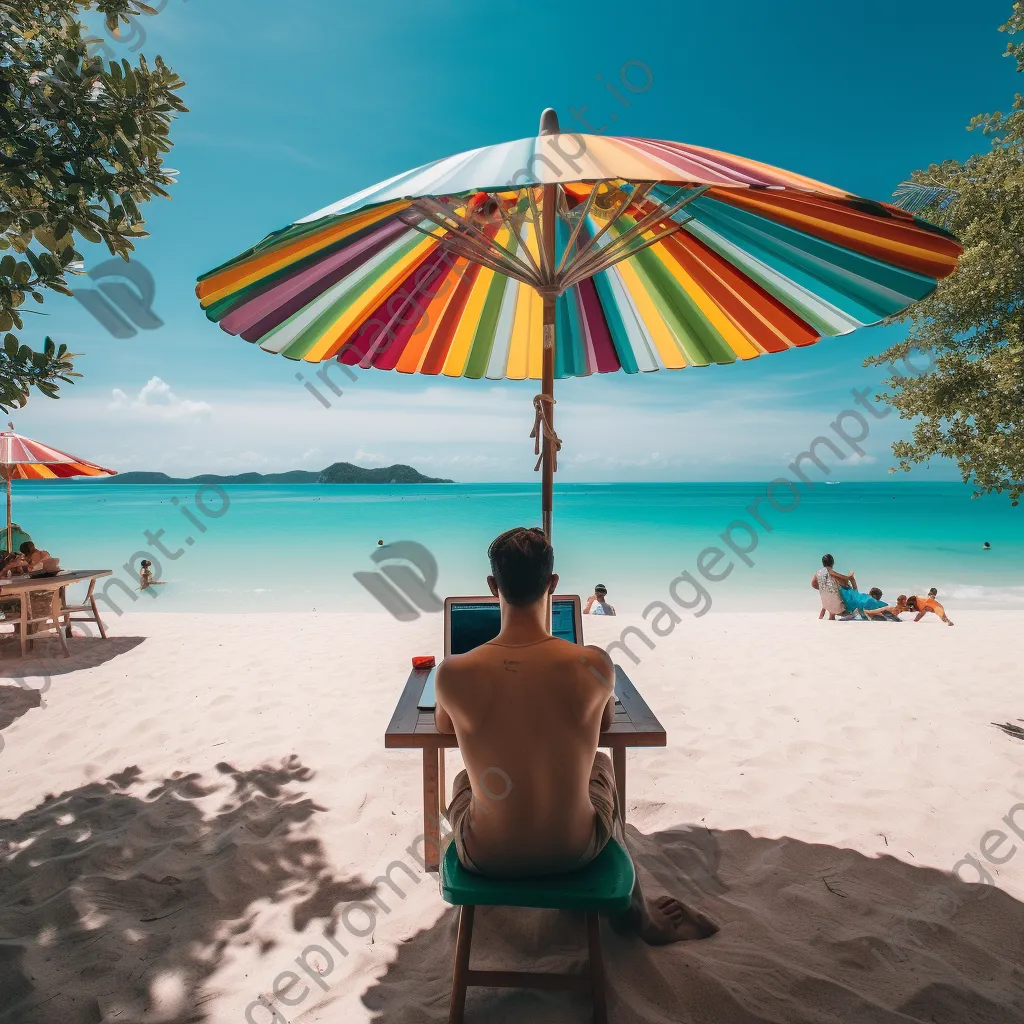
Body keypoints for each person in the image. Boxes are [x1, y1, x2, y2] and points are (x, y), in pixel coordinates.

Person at [434, 527, 717, 944]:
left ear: (493, 587)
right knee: (600, 765)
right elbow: (602, 729)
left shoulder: (453, 672)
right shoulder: (596, 665)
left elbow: (443, 727)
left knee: (462, 781)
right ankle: (639, 916)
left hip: (485, 856)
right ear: (553, 585)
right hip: (577, 852)